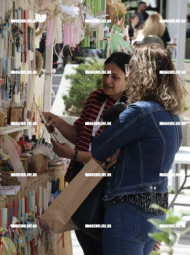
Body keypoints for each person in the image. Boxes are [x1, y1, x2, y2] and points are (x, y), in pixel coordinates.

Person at [88, 46, 184, 255]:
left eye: (132, 70)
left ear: (142, 73)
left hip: (128, 210)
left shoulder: (140, 112)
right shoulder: (174, 118)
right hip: (156, 211)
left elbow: (98, 148)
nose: (129, 75)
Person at [43, 52, 131, 255]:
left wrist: (74, 155)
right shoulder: (95, 99)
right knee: (85, 237)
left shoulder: (129, 110)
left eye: (115, 77)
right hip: (80, 183)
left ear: (129, 79)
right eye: (105, 74)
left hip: (106, 189)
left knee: (101, 243)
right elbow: (79, 134)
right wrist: (58, 122)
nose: (107, 80)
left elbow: (114, 159)